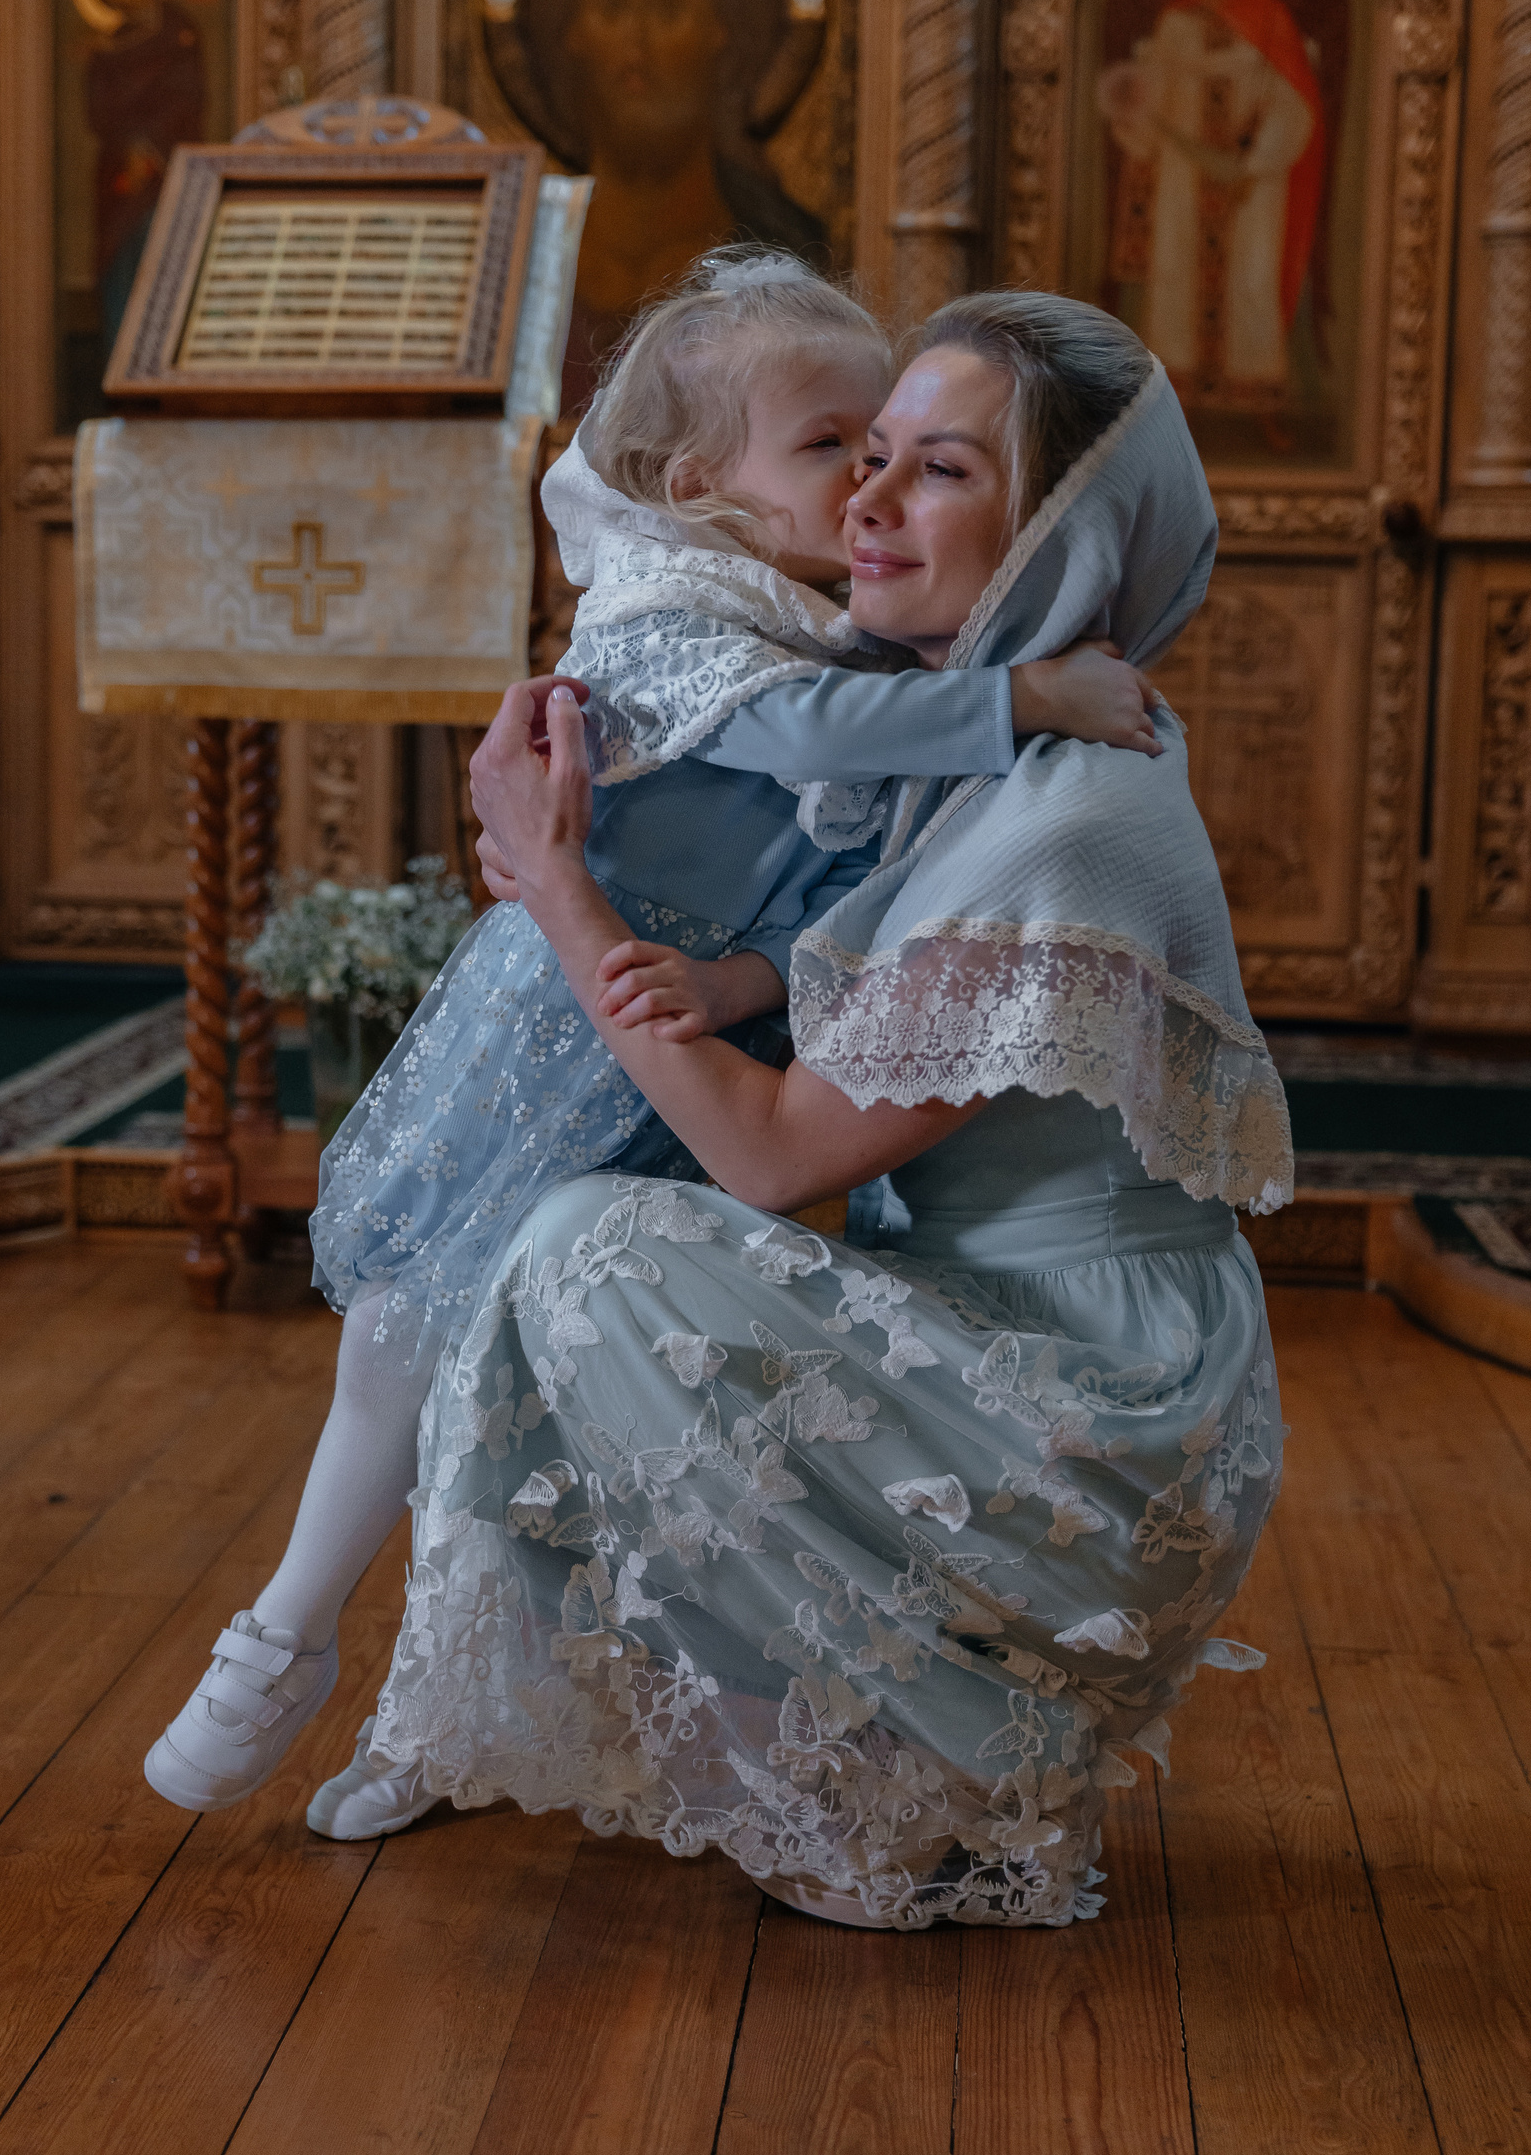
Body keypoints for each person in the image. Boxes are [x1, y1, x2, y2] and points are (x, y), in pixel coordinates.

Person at [142, 257, 1163, 1820]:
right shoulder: (669, 609)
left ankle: (454, 1711)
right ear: (699, 486)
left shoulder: (853, 642)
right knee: (403, 1344)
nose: (867, 482)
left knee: (545, 1399)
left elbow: (828, 921)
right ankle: (284, 1630)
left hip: (665, 1062)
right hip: (551, 1037)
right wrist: (1025, 694)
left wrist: (738, 989)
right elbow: (799, 739)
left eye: (891, 449)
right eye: (831, 446)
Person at [329, 291, 1291, 1924]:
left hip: (1105, 1424)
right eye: (866, 452)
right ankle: (840, 1726)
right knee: (566, 1235)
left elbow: (768, 1155)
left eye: (940, 469)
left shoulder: (1066, 815)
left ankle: (954, 1732)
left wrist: (560, 888)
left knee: (590, 1246)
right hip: (1014, 1337)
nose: (867, 499)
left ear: (1062, 532)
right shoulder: (965, 753)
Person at [559, 0, 826, 409]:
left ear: (717, 32)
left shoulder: (784, 243)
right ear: (576, 34)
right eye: (612, 5)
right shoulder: (529, 241)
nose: (636, 41)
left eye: (667, 6)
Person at [1097, 0, 1323, 417]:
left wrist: (1255, 163)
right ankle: (1172, 397)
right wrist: (1136, 123)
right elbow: (1156, 90)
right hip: (1183, 168)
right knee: (1177, 267)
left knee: (1252, 274)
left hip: (1253, 174)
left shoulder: (1269, 16)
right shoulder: (1177, 17)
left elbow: (1292, 96)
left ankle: (1254, 394)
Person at [85, 0, 205, 369]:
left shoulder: (178, 32)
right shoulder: (109, 45)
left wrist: (150, 145)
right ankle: (122, 365)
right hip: (119, 175)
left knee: (166, 261)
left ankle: (164, 369)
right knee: (119, 264)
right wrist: (129, 144)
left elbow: (186, 97)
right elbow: (98, 111)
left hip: (168, 169)